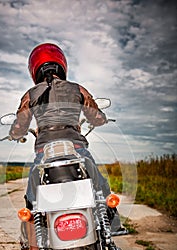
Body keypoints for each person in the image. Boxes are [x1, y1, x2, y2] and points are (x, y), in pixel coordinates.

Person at [9, 43, 125, 233]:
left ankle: (33, 231)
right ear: (61, 65)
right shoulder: (77, 89)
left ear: (35, 69)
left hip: (44, 152)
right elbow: (95, 116)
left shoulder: (30, 95)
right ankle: (112, 225)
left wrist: (15, 133)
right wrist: (101, 119)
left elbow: (21, 124)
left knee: (33, 192)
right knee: (100, 185)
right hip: (77, 147)